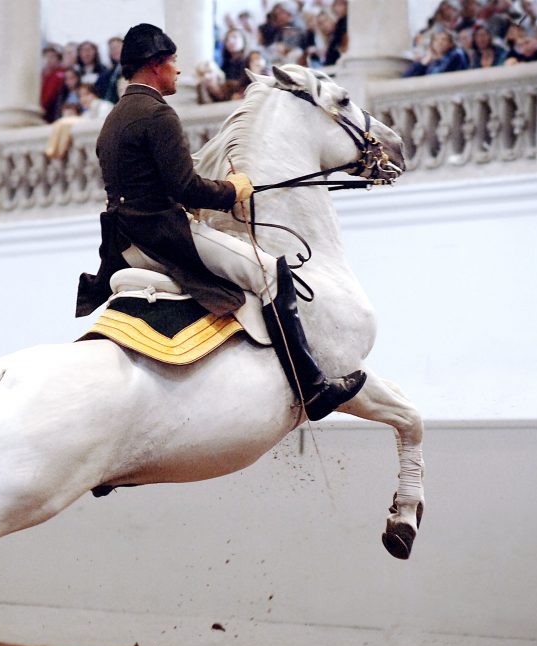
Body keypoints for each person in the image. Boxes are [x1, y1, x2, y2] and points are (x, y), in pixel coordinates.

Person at [76, 23, 365, 421]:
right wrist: (234, 189)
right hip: (165, 234)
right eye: (174, 62)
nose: (179, 71)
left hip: (126, 241)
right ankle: (312, 386)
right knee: (271, 271)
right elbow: (186, 188)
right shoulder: (157, 113)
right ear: (157, 65)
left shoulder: (114, 118)